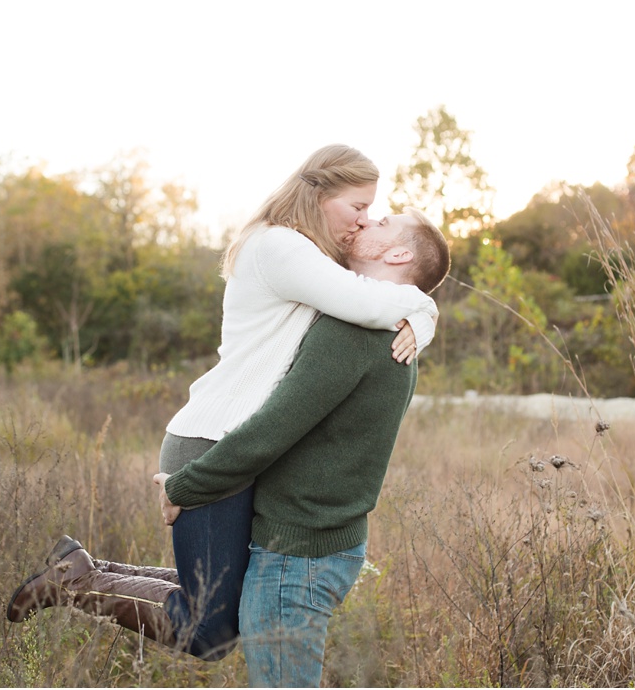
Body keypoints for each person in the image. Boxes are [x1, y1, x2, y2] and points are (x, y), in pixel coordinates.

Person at [5, 146, 439, 661]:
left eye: (373, 213)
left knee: (222, 611)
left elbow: (376, 292)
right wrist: (426, 309)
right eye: (358, 207)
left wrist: (421, 312)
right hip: (214, 440)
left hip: (237, 444)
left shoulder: (307, 255)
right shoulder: (281, 247)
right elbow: (369, 302)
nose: (364, 220)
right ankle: (78, 581)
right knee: (207, 632)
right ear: (320, 195)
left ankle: (82, 570)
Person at [157, 209, 450, 686]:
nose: (366, 220)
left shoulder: (353, 330)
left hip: (297, 557)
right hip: (322, 545)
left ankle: (79, 580)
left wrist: (185, 487)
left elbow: (274, 428)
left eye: (383, 221)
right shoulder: (393, 328)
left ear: (398, 253)